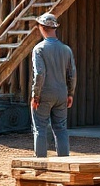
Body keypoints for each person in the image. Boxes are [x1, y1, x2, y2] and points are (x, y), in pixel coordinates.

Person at [30, 12, 76, 158]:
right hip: (62, 93)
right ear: (55, 28)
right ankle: (64, 162)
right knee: (61, 129)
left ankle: (41, 164)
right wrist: (70, 93)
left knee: (40, 128)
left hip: (45, 93)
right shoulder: (66, 49)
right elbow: (72, 74)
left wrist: (35, 95)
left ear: (41, 27)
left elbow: (39, 74)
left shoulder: (39, 49)